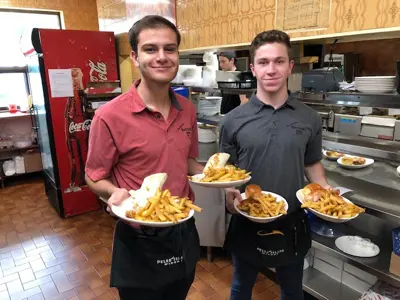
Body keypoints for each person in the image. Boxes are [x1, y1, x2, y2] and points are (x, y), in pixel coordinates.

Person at [84, 15, 204, 300]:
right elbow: (93, 175)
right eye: (151, 49)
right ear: (135, 57)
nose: (162, 57)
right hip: (139, 237)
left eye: (170, 49)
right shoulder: (109, 116)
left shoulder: (187, 109)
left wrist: (220, 181)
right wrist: (113, 192)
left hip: (183, 229)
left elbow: (188, 162)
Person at [219, 30, 331, 300]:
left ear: (290, 67)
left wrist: (326, 190)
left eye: (279, 61)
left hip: (292, 220)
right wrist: (228, 196)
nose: (271, 69)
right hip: (246, 218)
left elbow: (312, 162)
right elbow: (224, 170)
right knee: (240, 288)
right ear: (254, 68)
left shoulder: (310, 118)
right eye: (264, 62)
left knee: (293, 291)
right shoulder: (232, 120)